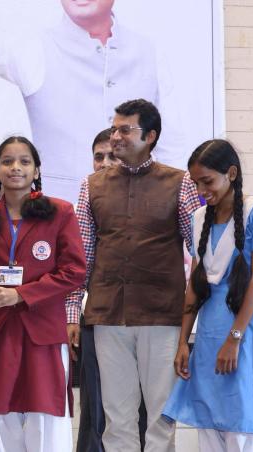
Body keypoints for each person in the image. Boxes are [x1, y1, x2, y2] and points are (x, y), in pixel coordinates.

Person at [0, 0, 183, 203]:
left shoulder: (147, 50)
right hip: (62, 209)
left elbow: (170, 142)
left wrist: (172, 201)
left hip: (137, 209)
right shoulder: (36, 47)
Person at [71, 99, 200, 452]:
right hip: (108, 315)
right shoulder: (91, 186)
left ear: (151, 136)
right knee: (117, 418)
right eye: (114, 128)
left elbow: (200, 251)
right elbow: (82, 257)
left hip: (163, 316)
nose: (116, 136)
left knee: (161, 417)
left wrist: (195, 318)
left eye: (125, 129)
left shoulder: (181, 182)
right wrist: (72, 313)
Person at [0, 136, 86, 451]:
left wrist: (21, 294)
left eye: (24, 161)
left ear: (36, 170)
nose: (15, 168)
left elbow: (74, 271)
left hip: (43, 332)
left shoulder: (59, 212)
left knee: (46, 422)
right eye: (7, 161)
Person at [162, 139, 253, 451]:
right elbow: (195, 285)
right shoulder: (200, 217)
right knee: (209, 426)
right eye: (196, 183)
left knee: (240, 425)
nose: (201, 191)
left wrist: (235, 337)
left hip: (242, 331)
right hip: (210, 333)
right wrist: (183, 342)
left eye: (208, 181)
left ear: (231, 173)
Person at [75, 128, 148, 452]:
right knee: (96, 407)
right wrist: (71, 315)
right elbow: (77, 268)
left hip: (147, 321)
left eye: (112, 156)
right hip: (98, 318)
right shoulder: (85, 201)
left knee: (142, 411)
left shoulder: (153, 198)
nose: (104, 163)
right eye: (98, 156)